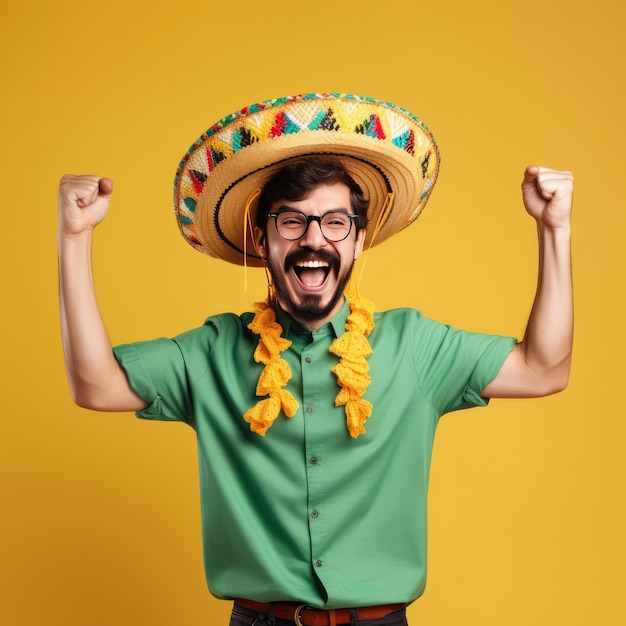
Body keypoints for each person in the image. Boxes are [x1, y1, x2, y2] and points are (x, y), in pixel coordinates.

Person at [57, 93, 573, 626]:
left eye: (334, 223)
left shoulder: (415, 346)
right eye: (292, 222)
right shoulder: (212, 352)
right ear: (262, 238)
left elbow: (544, 369)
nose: (313, 240)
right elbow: (96, 385)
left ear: (358, 240)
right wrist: (74, 238)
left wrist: (554, 229)